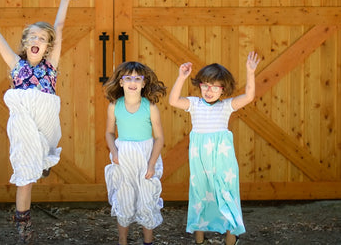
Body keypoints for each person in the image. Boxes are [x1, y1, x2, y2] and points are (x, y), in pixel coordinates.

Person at [0, 0, 76, 244]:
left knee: (45, 151)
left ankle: (43, 160)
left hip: (46, 119)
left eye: (42, 38)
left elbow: (60, 26)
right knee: (25, 175)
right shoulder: (16, 65)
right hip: (23, 121)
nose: (37, 40)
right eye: (32, 36)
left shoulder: (51, 66)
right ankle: (23, 225)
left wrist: (64, 0)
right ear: (25, 43)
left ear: (47, 47)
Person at [168, 52, 260, 245]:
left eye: (214, 87)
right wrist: (181, 77)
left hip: (222, 161)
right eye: (205, 85)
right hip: (200, 160)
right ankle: (200, 240)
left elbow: (249, 96)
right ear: (200, 85)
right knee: (200, 193)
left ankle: (230, 239)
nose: (209, 91)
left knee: (226, 193)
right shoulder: (194, 104)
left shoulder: (226, 106)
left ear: (223, 90)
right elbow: (173, 101)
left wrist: (250, 72)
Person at [103, 61, 167, 245]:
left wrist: (152, 163)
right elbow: (109, 132)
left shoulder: (150, 107)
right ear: (121, 82)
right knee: (124, 197)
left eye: (137, 78)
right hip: (123, 157)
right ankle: (122, 240)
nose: (133, 82)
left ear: (144, 83)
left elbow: (160, 138)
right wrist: (114, 152)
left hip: (145, 156)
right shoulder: (115, 106)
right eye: (128, 78)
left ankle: (148, 241)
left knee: (146, 199)